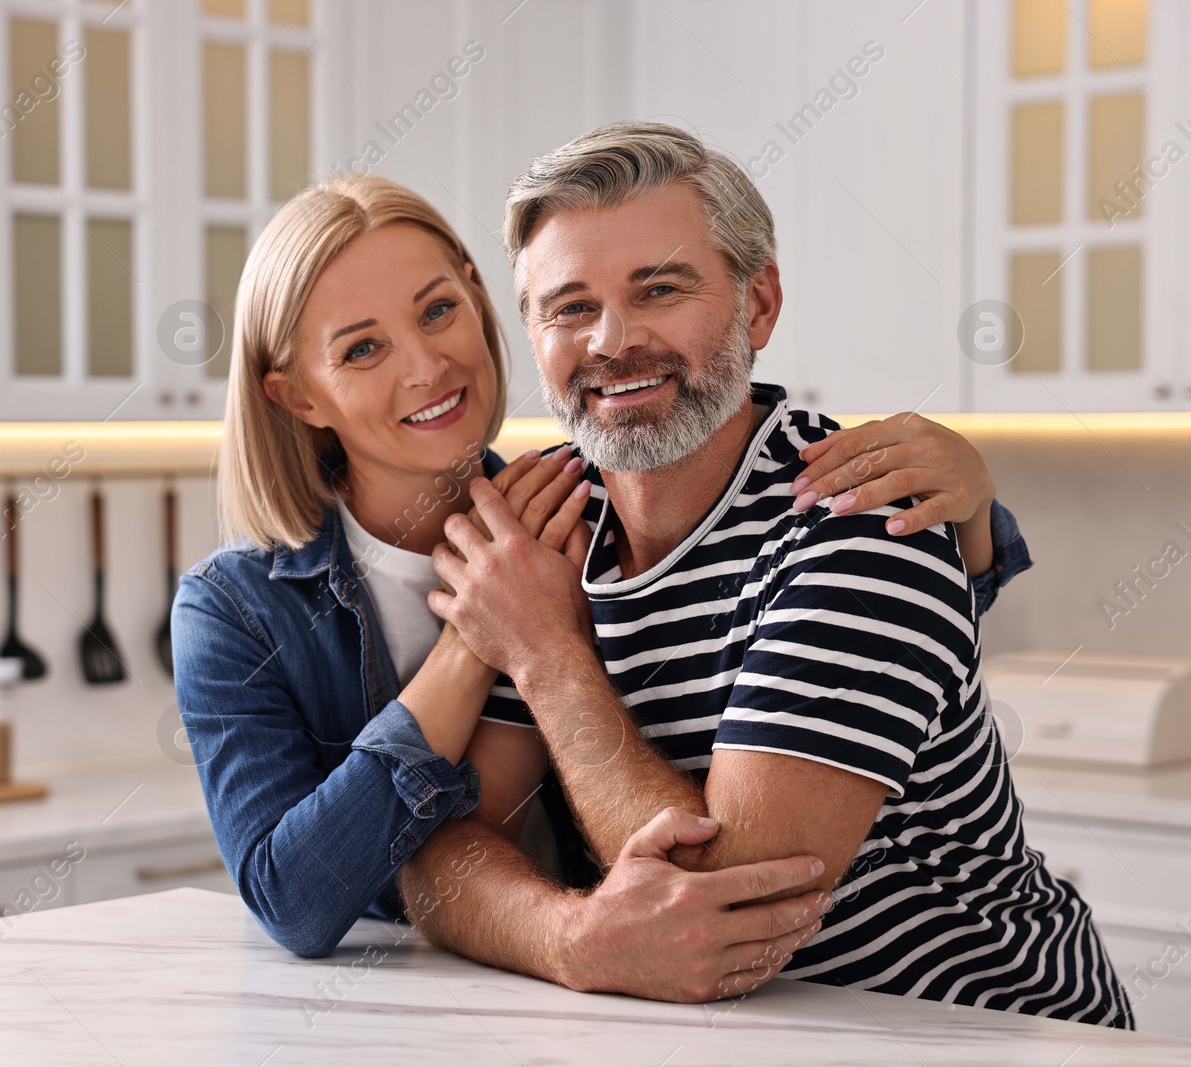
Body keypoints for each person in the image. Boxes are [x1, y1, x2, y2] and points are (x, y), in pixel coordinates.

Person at [171, 173, 1029, 999]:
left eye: (438, 310)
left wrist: (975, 523)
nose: (426, 365)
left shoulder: (565, 517)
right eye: (361, 348)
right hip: (516, 1004)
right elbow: (376, 872)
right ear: (295, 395)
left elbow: (730, 905)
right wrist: (489, 640)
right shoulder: (265, 603)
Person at [398, 121, 1129, 1027]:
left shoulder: (863, 523)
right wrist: (570, 939)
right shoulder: (544, 520)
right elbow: (437, 854)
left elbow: (733, 914)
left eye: (658, 288)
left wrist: (547, 653)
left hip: (986, 1034)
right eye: (568, 307)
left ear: (761, 304)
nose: (611, 341)